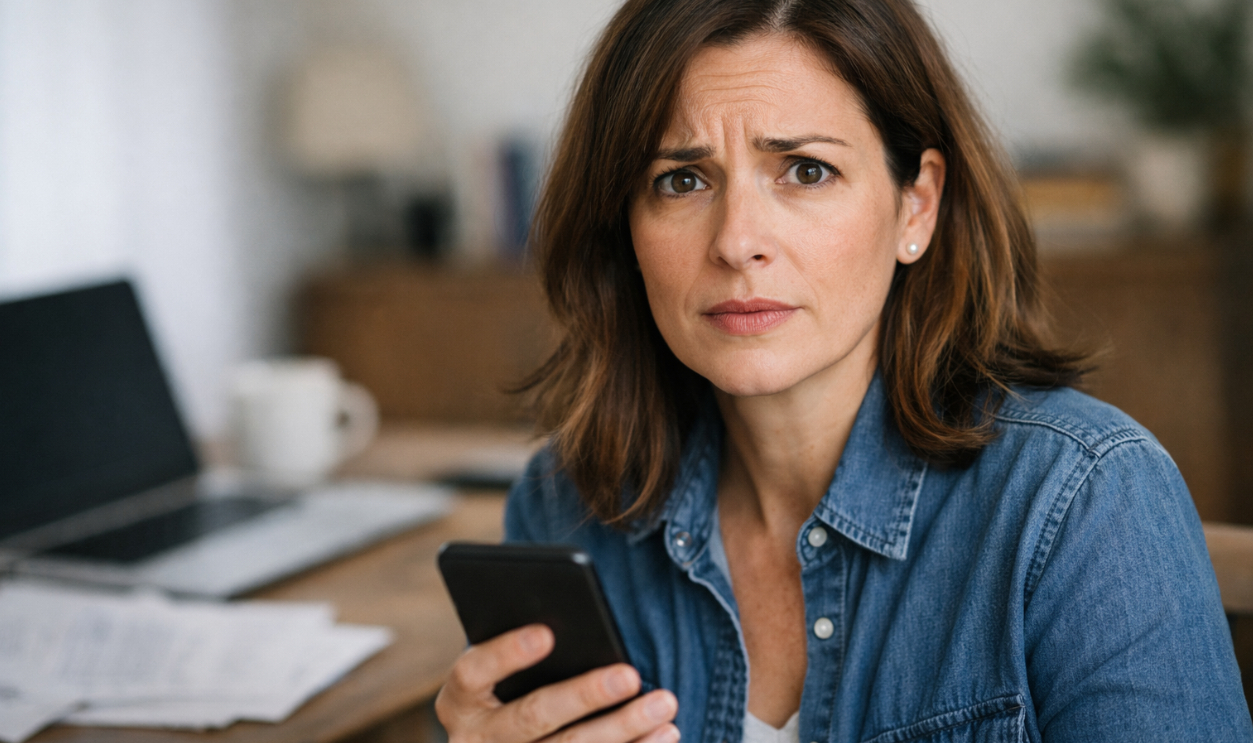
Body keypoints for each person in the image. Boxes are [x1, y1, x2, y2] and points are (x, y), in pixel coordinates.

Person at [435, 0, 1253, 741]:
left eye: (805, 170)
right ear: (625, 224)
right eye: (681, 180)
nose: (736, 241)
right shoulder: (566, 506)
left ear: (915, 205)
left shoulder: (1082, 497)